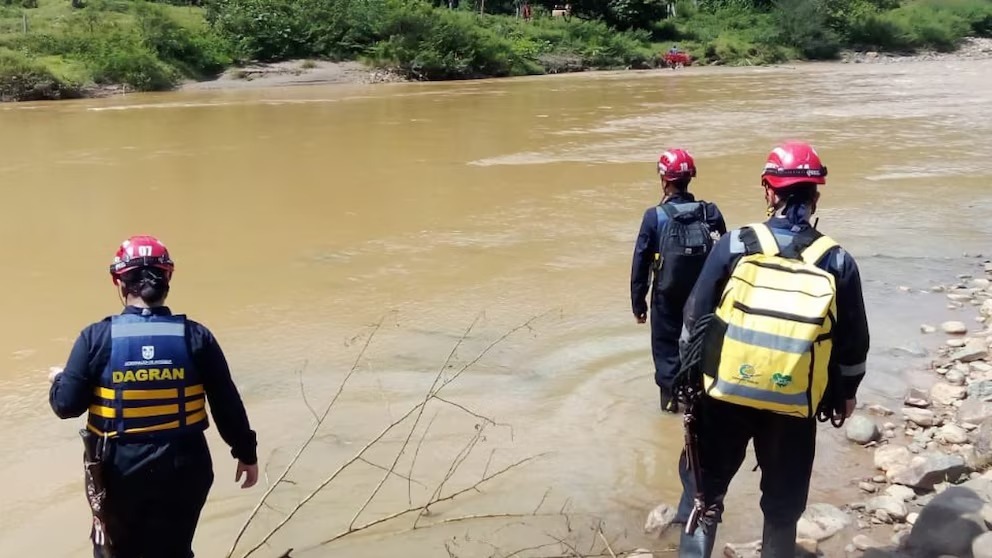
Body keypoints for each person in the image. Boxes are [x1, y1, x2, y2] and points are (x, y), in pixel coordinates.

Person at [674, 141, 870, 557]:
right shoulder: (836, 260)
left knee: (704, 498)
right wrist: (845, 396)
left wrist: (689, 385)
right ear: (816, 194)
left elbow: (694, 322)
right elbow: (852, 346)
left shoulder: (734, 244)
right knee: (782, 507)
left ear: (768, 189)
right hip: (795, 402)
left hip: (723, 395)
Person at [49, 235, 259, 558]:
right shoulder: (196, 337)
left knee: (115, 552)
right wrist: (246, 453)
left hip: (118, 472)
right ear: (168, 278)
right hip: (185, 468)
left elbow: (66, 405)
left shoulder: (95, 338)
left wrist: (58, 381)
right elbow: (226, 402)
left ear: (119, 282)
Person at [631, 149, 727, 413]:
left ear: (664, 180)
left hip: (666, 298)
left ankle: (671, 405)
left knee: (667, 356)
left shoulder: (655, 217)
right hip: (704, 299)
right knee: (702, 352)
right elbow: (724, 257)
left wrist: (639, 304)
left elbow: (640, 262)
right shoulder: (710, 213)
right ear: (690, 178)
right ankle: (700, 407)